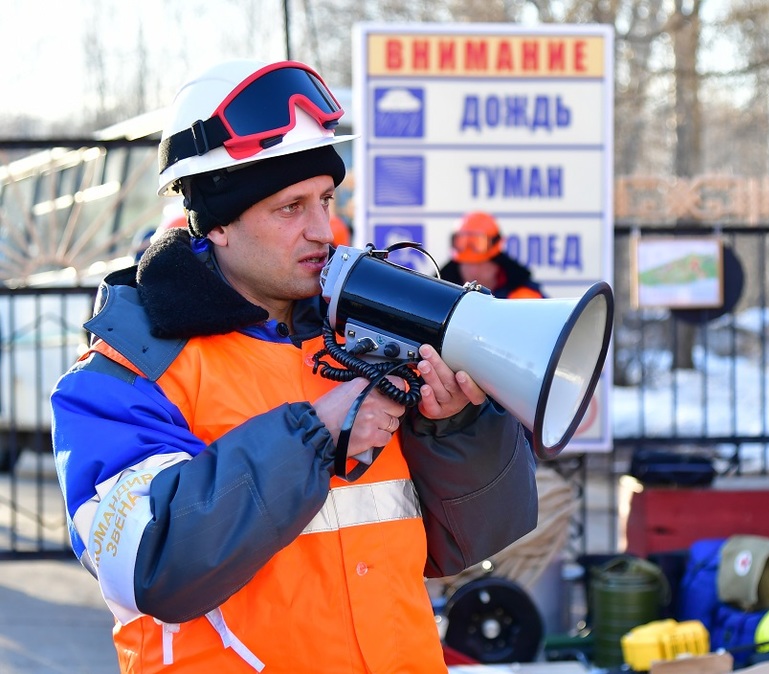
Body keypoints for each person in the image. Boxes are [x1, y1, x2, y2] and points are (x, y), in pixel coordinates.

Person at [50, 59, 539, 673]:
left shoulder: (354, 339)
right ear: (219, 223)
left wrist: (454, 427)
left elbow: (474, 539)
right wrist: (315, 433)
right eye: (289, 207)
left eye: (327, 199)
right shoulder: (121, 377)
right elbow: (156, 565)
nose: (322, 229)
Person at [439, 211, 545, 299]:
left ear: (496, 264)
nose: (473, 272)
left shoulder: (526, 298)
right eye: (466, 265)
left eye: (480, 264)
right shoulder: (440, 297)